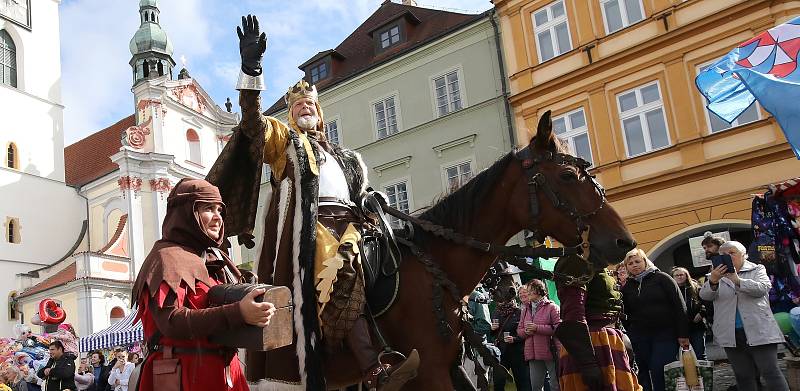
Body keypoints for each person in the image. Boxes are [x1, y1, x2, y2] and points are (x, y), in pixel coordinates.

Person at [206, 15, 419, 390]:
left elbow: (360, 191)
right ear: (290, 114)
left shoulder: (345, 155)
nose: (306, 108)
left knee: (396, 262)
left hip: (353, 223)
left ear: (321, 114)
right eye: (299, 106)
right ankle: (373, 369)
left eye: (311, 105)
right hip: (312, 229)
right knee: (343, 272)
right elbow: (253, 123)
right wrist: (251, 72)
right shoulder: (284, 142)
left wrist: (374, 201)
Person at [131, 179, 277, 391]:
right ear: (185, 213)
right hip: (183, 374)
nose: (218, 217)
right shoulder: (166, 258)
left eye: (220, 209)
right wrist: (238, 312)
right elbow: (171, 322)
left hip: (226, 372)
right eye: (208, 208)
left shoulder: (217, 259)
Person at [699, 240, 789, 391]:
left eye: (732, 253)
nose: (728, 256)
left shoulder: (757, 269)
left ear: (744, 255)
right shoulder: (714, 275)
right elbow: (705, 296)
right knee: (743, 375)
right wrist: (713, 282)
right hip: (731, 333)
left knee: (770, 372)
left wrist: (737, 280)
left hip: (759, 330)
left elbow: (762, 288)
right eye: (723, 254)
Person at [621, 249, 689, 391]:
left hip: (665, 334)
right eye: (630, 263)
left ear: (645, 262)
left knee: (660, 369)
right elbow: (625, 312)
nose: (634, 265)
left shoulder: (662, 278)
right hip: (640, 337)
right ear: (626, 267)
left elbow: (679, 306)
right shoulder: (627, 287)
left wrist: (683, 334)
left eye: (637, 261)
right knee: (643, 371)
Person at [489, 268, 531, 391]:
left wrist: (515, 339)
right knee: (499, 383)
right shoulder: (496, 312)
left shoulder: (520, 312)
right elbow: (493, 333)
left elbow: (525, 332)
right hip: (501, 353)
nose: (501, 303)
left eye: (503, 301)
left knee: (523, 383)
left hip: (518, 353)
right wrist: (492, 329)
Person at [518, 279, 560, 391]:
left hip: (550, 352)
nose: (528, 292)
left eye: (531, 290)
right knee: (535, 387)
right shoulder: (525, 310)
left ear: (539, 290)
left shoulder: (552, 307)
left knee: (555, 385)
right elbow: (520, 330)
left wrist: (537, 328)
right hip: (532, 354)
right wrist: (526, 332)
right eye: (528, 290)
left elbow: (559, 328)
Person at [671, 267, 708, 359]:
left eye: (681, 275)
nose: (679, 277)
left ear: (686, 276)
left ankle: (702, 373)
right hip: (679, 329)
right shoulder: (670, 291)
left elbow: (706, 303)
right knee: (683, 357)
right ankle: (689, 373)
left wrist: (701, 313)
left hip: (696, 326)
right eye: (677, 275)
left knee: (700, 354)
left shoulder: (695, 288)